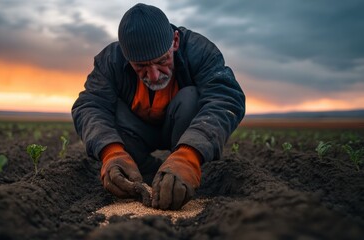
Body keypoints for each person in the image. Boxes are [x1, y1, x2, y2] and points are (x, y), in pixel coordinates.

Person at [72, 3, 245, 210]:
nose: (154, 75)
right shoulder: (111, 60)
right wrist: (111, 152)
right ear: (127, 58)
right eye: (141, 66)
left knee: (191, 97)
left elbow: (226, 98)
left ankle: (182, 166)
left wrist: (188, 156)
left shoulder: (200, 51)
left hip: (181, 126)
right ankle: (144, 172)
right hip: (138, 132)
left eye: (162, 61)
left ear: (175, 41)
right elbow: (89, 106)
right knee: (111, 110)